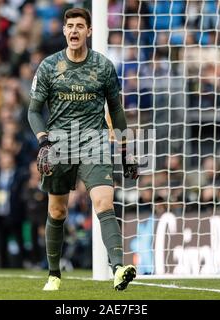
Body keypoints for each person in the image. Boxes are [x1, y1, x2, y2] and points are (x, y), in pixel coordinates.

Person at [27, 8, 138, 291]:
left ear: (89, 31)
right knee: (57, 210)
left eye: (80, 26)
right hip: (59, 144)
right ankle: (54, 274)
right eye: (70, 26)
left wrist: (125, 149)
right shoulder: (49, 66)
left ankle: (118, 268)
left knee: (104, 202)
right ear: (64, 31)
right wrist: (43, 139)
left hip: (95, 142)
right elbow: (34, 111)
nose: (74, 31)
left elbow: (116, 110)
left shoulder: (103, 66)